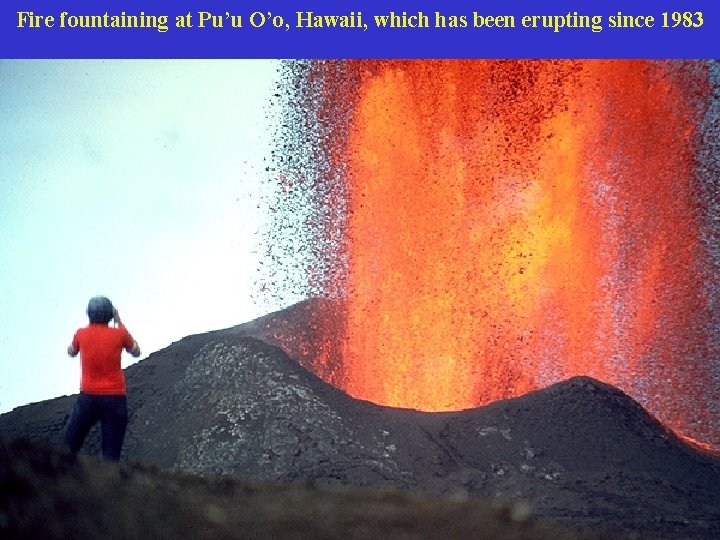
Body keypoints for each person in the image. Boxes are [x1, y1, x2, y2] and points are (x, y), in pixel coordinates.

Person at [64, 296, 141, 461]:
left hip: (88, 397)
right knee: (111, 454)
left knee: (70, 445)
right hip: (115, 398)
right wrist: (120, 323)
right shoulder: (120, 334)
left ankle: (58, 480)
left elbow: (71, 351)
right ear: (110, 315)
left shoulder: (81, 334)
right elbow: (136, 351)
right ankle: (108, 483)